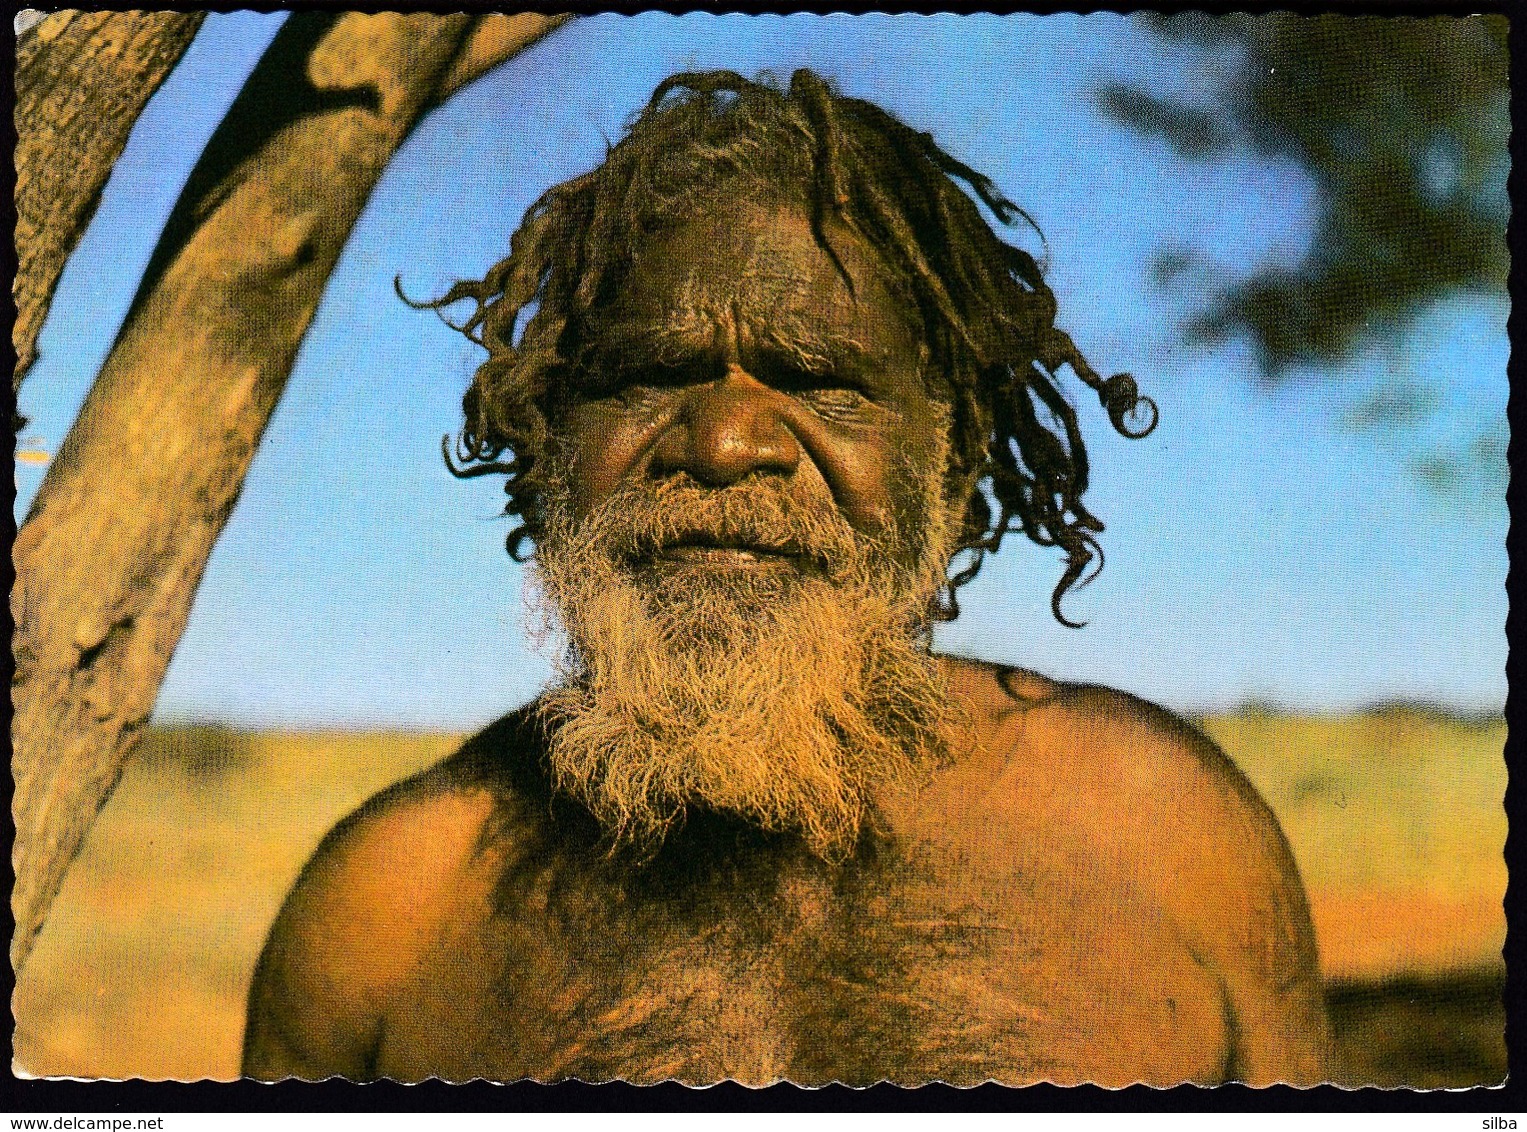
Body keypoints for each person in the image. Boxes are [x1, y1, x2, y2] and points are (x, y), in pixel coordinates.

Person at [241, 69, 1334, 1086]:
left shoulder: (1169, 835)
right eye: (649, 377)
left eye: (820, 383)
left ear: (950, 463)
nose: (721, 445)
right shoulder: (392, 913)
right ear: (544, 448)